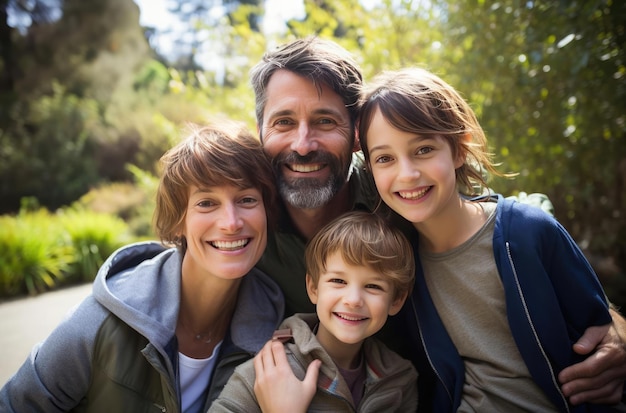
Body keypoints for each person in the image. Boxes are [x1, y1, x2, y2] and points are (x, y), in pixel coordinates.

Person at [249, 36, 626, 409]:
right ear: (261, 129)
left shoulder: (395, 192)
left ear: (355, 137)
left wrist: (612, 325)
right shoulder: (243, 218)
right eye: (283, 122)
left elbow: (507, 217)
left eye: (324, 121)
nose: (302, 144)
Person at [357, 67, 623, 412]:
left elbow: (603, 332)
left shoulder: (529, 232)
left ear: (458, 150)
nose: (406, 173)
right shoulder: (398, 264)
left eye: (423, 149)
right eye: (384, 158)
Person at [0, 122, 284, 412]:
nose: (231, 222)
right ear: (178, 221)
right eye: (207, 203)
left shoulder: (276, 329)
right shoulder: (97, 324)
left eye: (247, 199)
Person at [209, 211, 418, 412]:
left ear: (397, 300)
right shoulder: (270, 371)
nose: (353, 300)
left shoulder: (398, 381)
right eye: (338, 281)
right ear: (313, 288)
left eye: (373, 286)